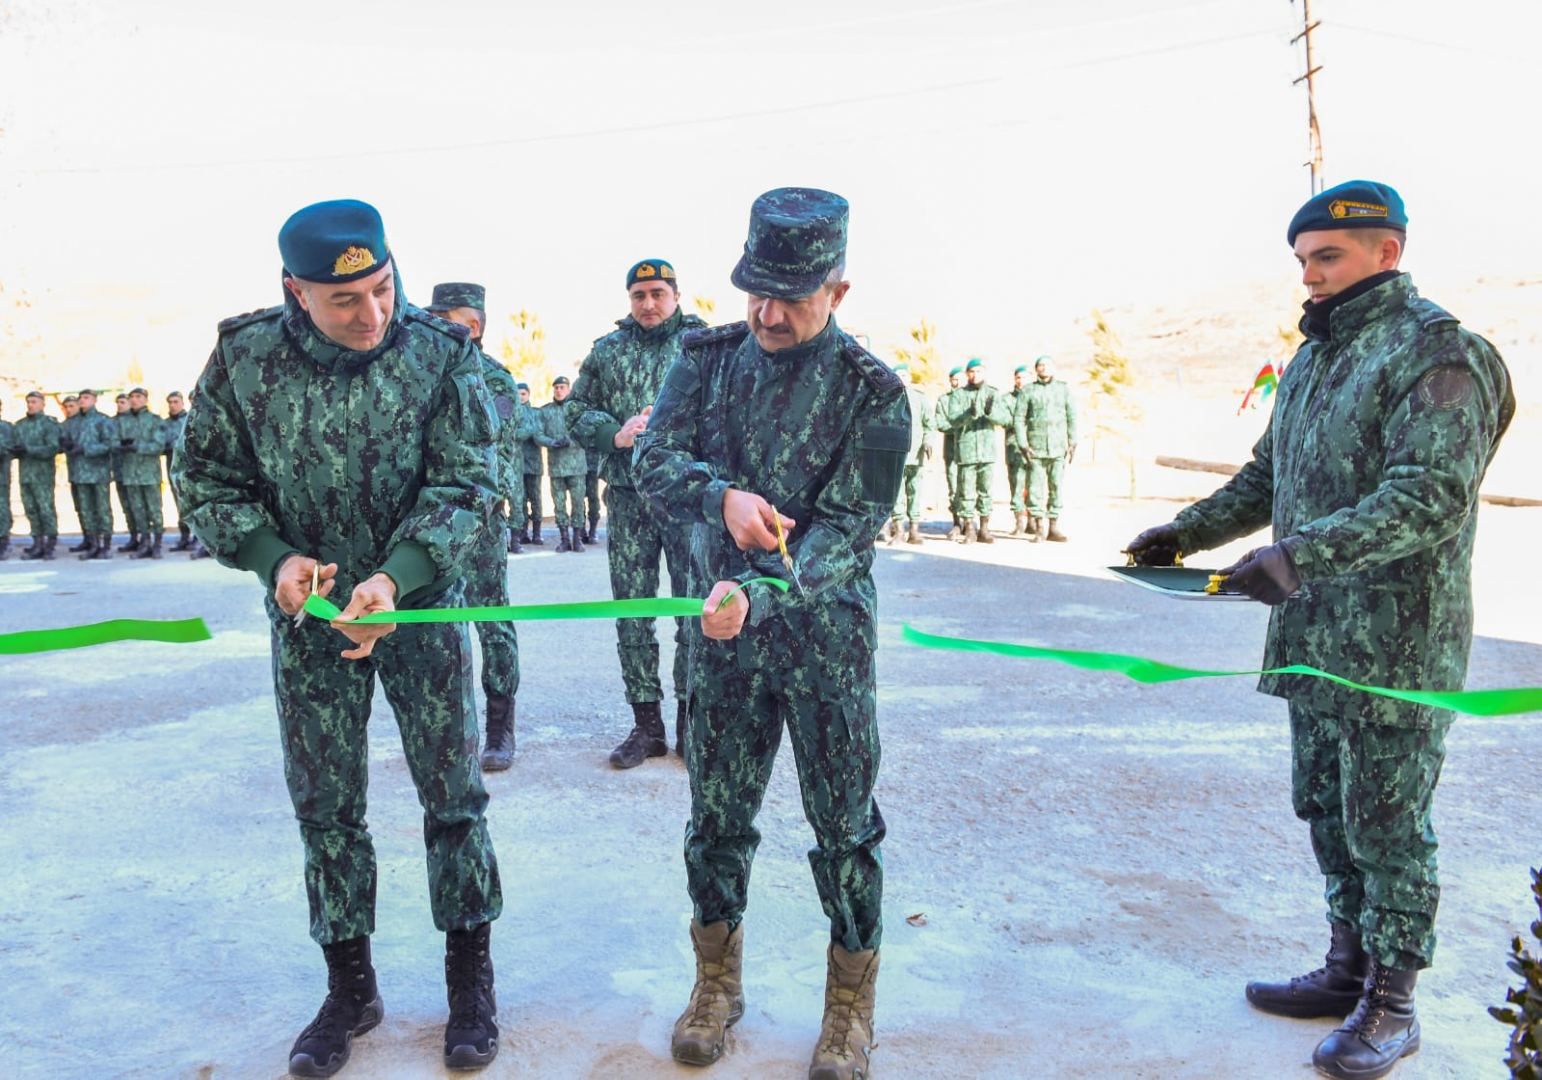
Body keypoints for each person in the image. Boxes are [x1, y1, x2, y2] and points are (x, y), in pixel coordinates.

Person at [1126, 180, 1513, 1080]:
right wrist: (1185, 532)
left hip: (1397, 646)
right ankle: (1346, 967)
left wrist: (1300, 555)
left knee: (1388, 824)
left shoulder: (1439, 353)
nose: (1310, 276)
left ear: (1390, 251)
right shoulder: (1314, 360)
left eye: (1328, 257)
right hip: (1310, 633)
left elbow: (1428, 495)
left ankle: (1394, 998)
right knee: (1326, 809)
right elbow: (1269, 476)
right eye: (1302, 261)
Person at [173, 199, 505, 1075]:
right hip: (311, 623)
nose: (372, 315)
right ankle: (350, 988)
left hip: (420, 612)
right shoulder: (244, 361)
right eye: (344, 300)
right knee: (326, 808)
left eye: (383, 288)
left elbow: (472, 481)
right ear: (295, 291)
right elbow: (205, 477)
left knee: (453, 798)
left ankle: (470, 981)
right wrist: (273, 561)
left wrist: (399, 576)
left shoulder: (441, 354)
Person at [635, 186, 909, 1080]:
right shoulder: (706, 359)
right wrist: (723, 496)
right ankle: (717, 984)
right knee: (715, 819)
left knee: (843, 828)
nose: (767, 312)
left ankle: (848, 1008)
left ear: (840, 289)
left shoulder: (873, 395)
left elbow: (841, 535)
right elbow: (653, 460)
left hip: (822, 646)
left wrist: (763, 590)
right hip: (723, 646)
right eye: (756, 288)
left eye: (791, 295)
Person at [565, 258, 707, 767]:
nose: (648, 304)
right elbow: (575, 410)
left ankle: (693, 720)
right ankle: (647, 726)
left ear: (675, 295)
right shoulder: (608, 351)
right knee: (632, 612)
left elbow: (729, 409)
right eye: (639, 295)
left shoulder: (702, 346)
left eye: (657, 293)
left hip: (688, 498)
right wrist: (616, 432)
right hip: (628, 498)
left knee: (694, 612)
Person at [425, 281, 525, 771]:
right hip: (431, 520)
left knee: (492, 621)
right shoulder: (418, 372)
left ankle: (500, 726)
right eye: (434, 316)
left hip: (481, 520)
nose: (438, 325)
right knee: (438, 625)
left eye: (450, 318)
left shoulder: (496, 380)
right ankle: (449, 726)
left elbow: (482, 433)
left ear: (475, 326)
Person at [936, 357, 1011, 543]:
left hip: (986, 451)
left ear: (984, 372)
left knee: (985, 491)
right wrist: (968, 414)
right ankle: (969, 527)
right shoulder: (959, 395)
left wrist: (990, 412)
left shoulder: (993, 394)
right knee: (966, 491)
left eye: (978, 371)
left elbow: (1006, 419)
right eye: (971, 371)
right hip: (966, 451)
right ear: (967, 374)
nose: (975, 375)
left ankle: (984, 528)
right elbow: (953, 419)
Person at [1020, 355, 1076, 542]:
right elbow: (1019, 419)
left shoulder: (1063, 390)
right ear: (1036, 369)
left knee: (1056, 486)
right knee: (1035, 488)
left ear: (1054, 368)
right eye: (1040, 366)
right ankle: (1038, 528)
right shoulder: (1028, 391)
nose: (1044, 368)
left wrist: (1072, 441)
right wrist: (1023, 443)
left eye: (1047, 365)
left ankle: (1054, 527)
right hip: (1035, 448)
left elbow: (1071, 416)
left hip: (1058, 447)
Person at [61, 388, 117, 560]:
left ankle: (105, 545)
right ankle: (92, 543)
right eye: (81, 398)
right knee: (85, 510)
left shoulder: (102, 420)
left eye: (86, 397)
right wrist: (66, 444)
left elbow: (111, 444)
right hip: (78, 473)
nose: (82, 400)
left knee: (102, 509)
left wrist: (86, 449)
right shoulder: (72, 422)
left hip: (98, 472)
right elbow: (63, 440)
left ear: (94, 400)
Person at [884, 361, 932, 545]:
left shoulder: (919, 398)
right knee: (897, 493)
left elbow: (929, 423)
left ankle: (914, 530)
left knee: (915, 492)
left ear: (909, 377)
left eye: (904, 375)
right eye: (898, 375)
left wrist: (928, 442)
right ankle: (899, 530)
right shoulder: (888, 398)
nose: (902, 379)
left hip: (916, 454)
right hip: (896, 455)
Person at [538, 376, 586, 553]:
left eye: (562, 387)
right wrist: (552, 442)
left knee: (578, 504)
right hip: (556, 466)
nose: (559, 390)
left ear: (569, 389)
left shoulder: (578, 410)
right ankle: (564, 539)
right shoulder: (545, 412)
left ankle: (577, 539)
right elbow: (538, 434)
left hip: (577, 465)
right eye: (556, 387)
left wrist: (571, 441)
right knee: (559, 505)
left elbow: (587, 431)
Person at [117, 387, 166, 559]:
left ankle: (158, 544)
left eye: (138, 396)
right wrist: (121, 445)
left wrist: (137, 447)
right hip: (130, 474)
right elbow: (113, 441)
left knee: (154, 510)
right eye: (132, 397)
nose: (134, 400)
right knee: (138, 511)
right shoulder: (122, 421)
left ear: (145, 399)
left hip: (149, 473)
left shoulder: (155, 420)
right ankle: (144, 544)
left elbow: (159, 446)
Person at [14, 390, 61, 560]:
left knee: (45, 508)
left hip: (42, 475)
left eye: (34, 401)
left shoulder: (49, 424)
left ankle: (50, 543)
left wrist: (30, 449)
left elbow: (53, 448)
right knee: (31, 509)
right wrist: (15, 451)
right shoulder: (20, 425)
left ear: (42, 404)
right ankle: (37, 542)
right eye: (28, 402)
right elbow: (15, 446)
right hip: (26, 473)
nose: (30, 405)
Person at [1004, 364, 1035, 537]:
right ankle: (1020, 521)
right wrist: (1019, 420)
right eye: (1018, 377)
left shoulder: (1036, 396)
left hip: (1036, 448)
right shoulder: (1007, 399)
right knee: (1017, 486)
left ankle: (1033, 521)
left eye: (1024, 377)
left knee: (1034, 486)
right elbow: (1003, 418)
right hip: (1014, 448)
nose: (1021, 380)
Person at [163, 391, 195, 551]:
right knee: (179, 505)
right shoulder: (165, 423)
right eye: (170, 402)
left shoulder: (190, 419)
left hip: (192, 470)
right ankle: (184, 536)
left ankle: (198, 538)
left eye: (176, 402)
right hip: (174, 470)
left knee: (195, 503)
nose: (172, 405)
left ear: (182, 403)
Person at [515, 382, 544, 547]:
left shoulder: (536, 413)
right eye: (518, 394)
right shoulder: (511, 412)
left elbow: (538, 433)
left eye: (523, 394)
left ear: (529, 395)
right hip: (518, 463)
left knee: (535, 498)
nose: (520, 397)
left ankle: (537, 533)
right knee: (520, 499)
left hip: (533, 462)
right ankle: (523, 532)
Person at [937, 365, 963, 537]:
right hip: (952, 451)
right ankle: (957, 522)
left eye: (960, 378)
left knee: (971, 488)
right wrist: (962, 426)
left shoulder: (970, 397)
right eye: (955, 379)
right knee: (954, 487)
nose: (958, 382)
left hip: (974, 452)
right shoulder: (944, 400)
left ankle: (970, 523)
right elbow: (941, 423)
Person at [111, 393, 138, 551]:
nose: (120, 405)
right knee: (126, 507)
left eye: (123, 402)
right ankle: (133, 537)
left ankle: (145, 538)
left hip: (135, 472)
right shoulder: (112, 422)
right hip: (119, 470)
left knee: (138, 507)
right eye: (118, 402)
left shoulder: (134, 421)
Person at [0, 399, 13, 560]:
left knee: (1, 509)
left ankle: (3, 540)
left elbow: (8, 447)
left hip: (1, 476)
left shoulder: (5, 427)